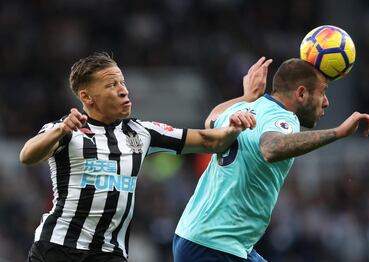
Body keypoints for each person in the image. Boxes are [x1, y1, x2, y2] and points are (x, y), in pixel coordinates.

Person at [19, 52, 259, 262]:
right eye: (111, 85)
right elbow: (27, 156)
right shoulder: (67, 129)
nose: (123, 90)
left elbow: (211, 140)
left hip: (109, 253)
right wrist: (61, 130)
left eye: (122, 82)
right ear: (87, 97)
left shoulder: (142, 132)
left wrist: (235, 122)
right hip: (58, 248)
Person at [173, 57, 369, 261]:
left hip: (196, 235)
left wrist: (247, 96)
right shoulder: (283, 117)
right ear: (301, 93)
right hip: (215, 246)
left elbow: (211, 119)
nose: (326, 102)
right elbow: (270, 148)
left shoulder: (244, 108)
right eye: (322, 92)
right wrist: (338, 133)